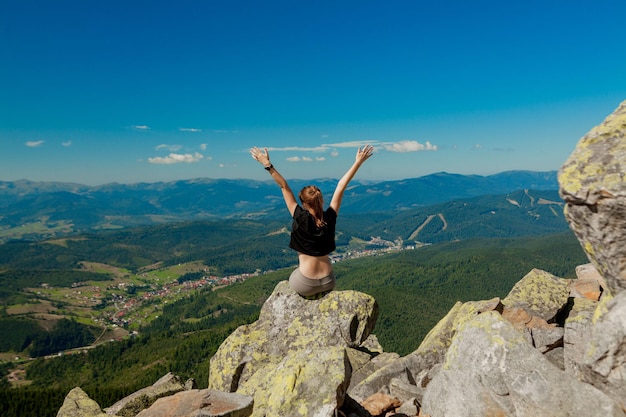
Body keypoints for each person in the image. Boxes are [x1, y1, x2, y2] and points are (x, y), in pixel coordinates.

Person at [250, 145, 374, 298]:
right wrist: (358, 162)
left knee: (290, 279)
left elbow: (284, 186)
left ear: (303, 202)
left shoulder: (299, 216)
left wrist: (267, 165)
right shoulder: (330, 216)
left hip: (305, 283)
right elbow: (341, 186)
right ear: (321, 200)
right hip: (329, 280)